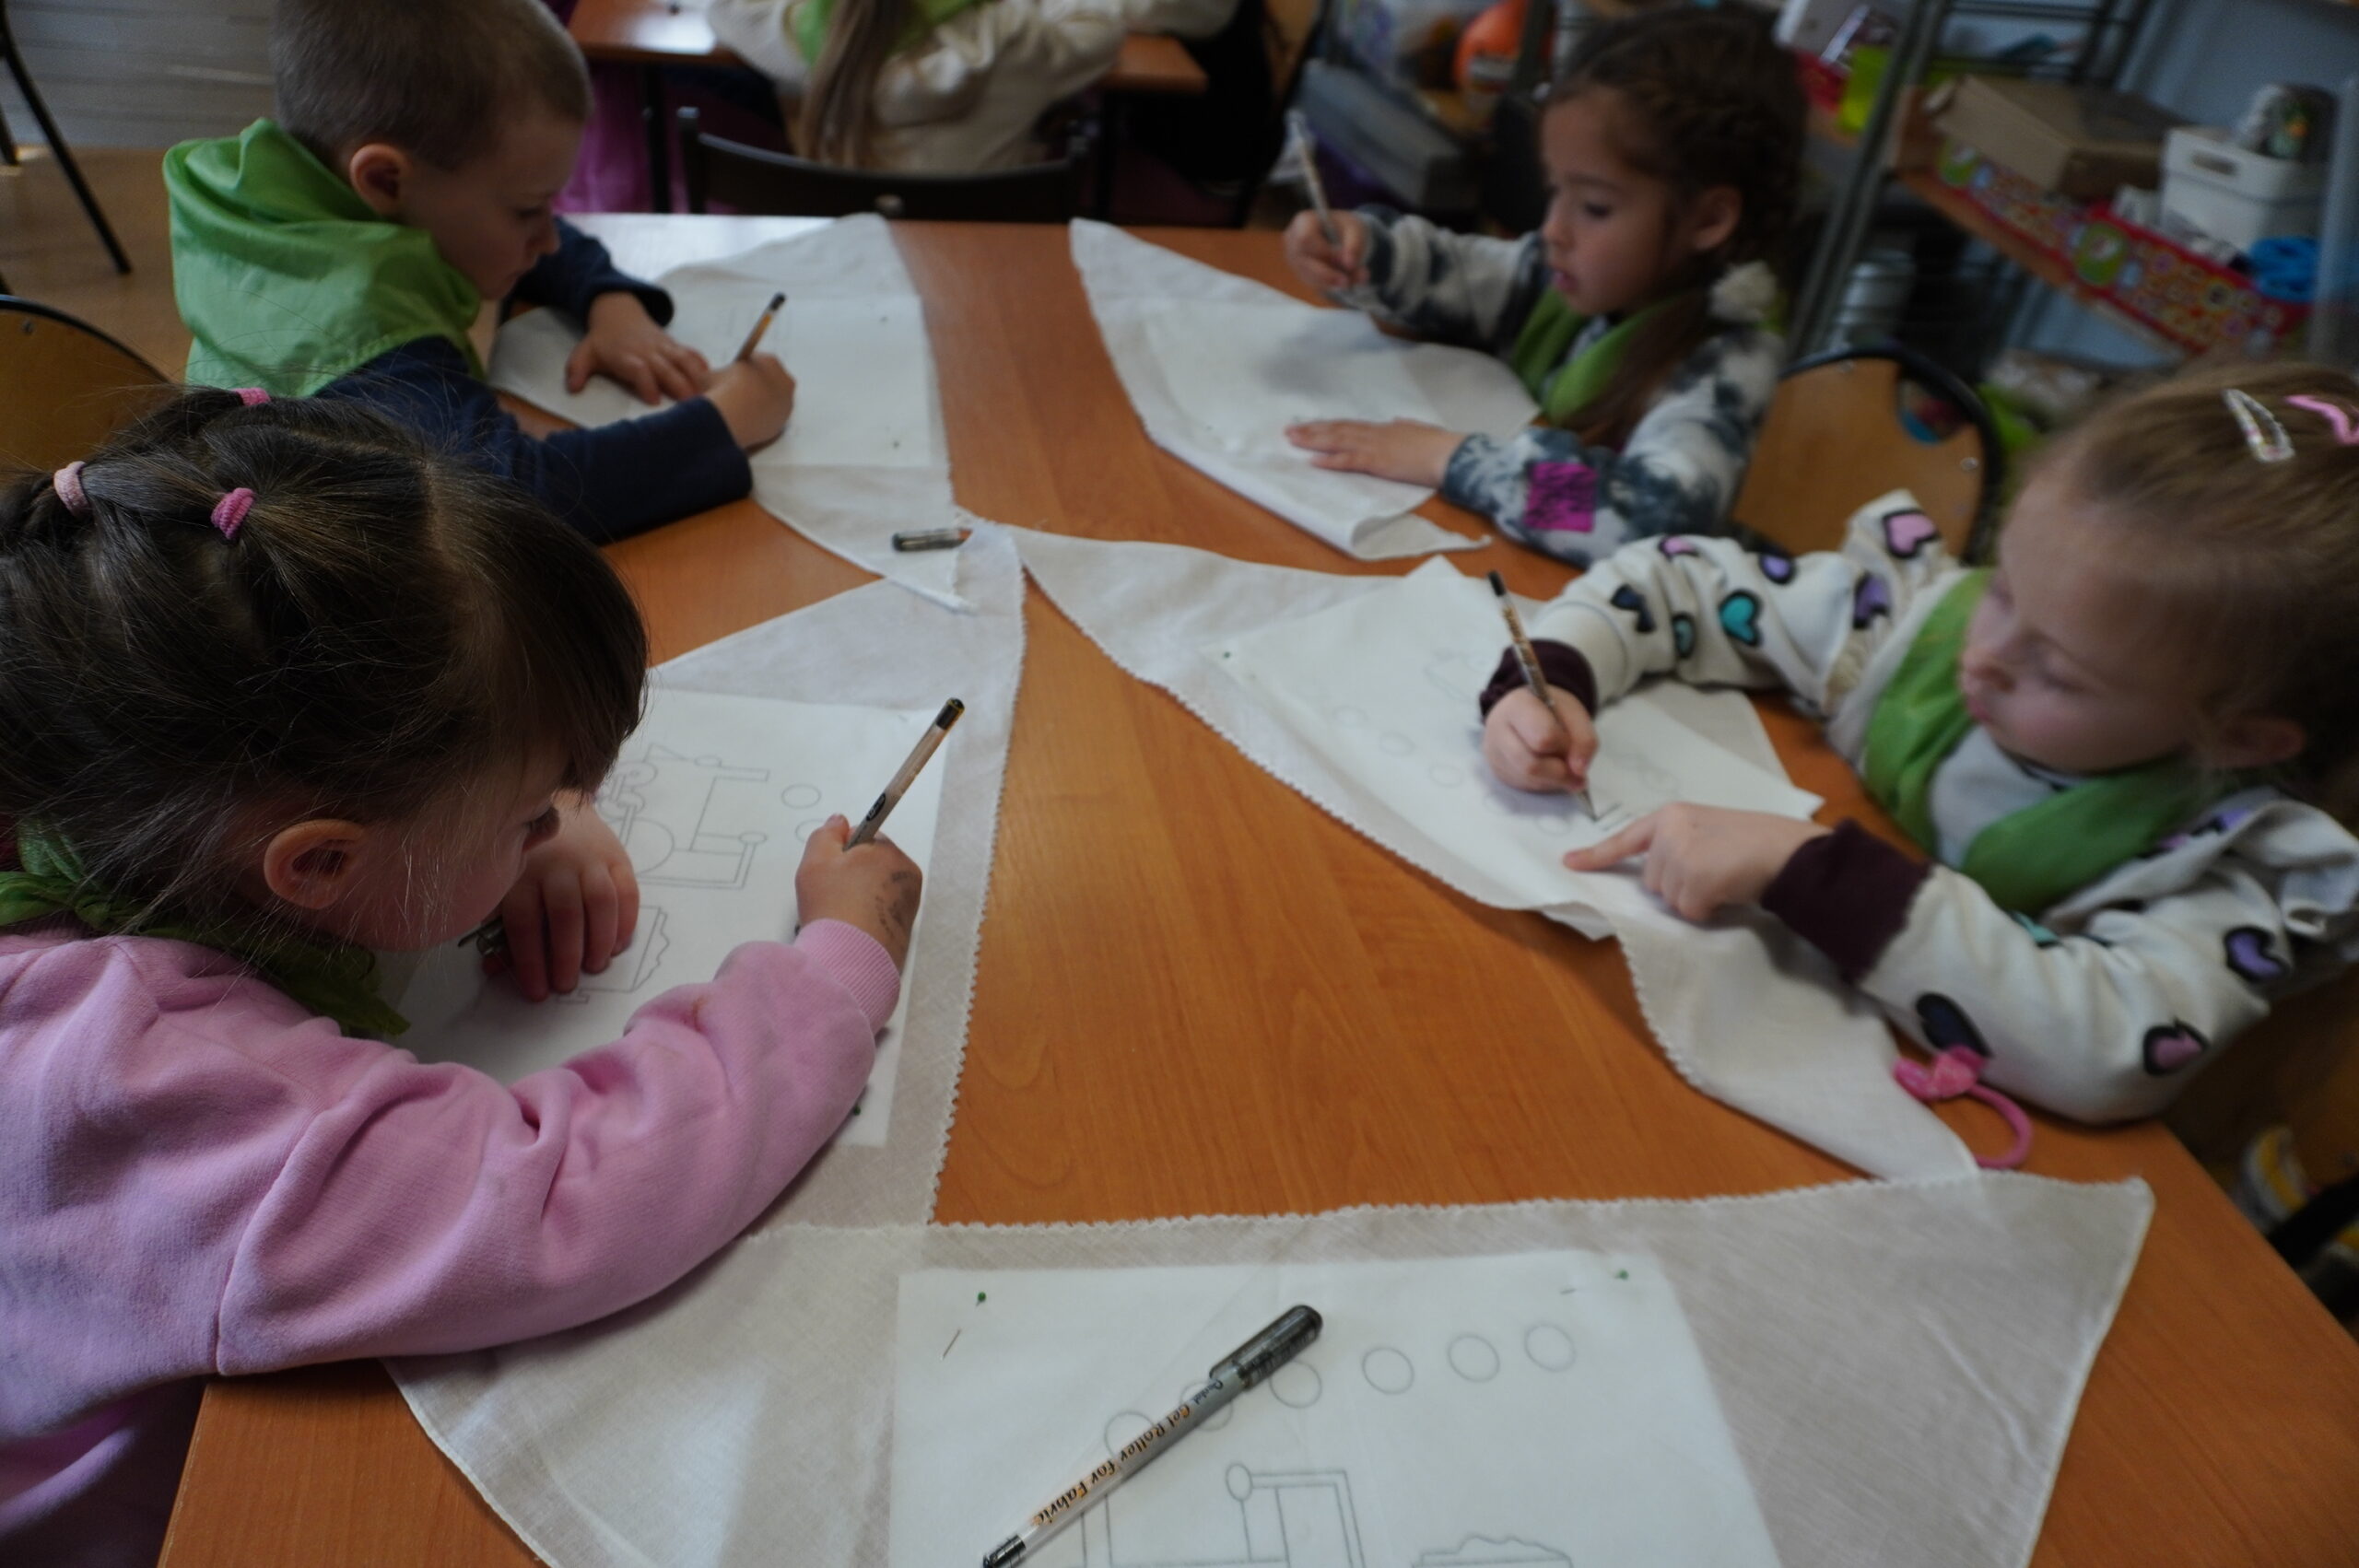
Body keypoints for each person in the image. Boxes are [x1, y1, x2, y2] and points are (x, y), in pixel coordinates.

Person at [0, 392, 921, 1567]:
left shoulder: (98, 777)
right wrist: (835, 966)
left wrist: (523, 821)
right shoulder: (144, 1078)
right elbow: (559, 1196)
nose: (556, 826)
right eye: (530, 813)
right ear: (317, 864)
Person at [1481, 362, 2359, 1125]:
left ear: (2240, 739)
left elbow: (2111, 1050)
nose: (1984, 656)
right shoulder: (1908, 622)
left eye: (2058, 673)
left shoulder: (2226, 868)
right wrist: (1553, 673)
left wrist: (1811, 873)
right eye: (2003, 589)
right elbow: (1677, 577)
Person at [164, 0, 797, 544]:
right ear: (385, 180)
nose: (548, 237)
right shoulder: (357, 341)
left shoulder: (284, 199)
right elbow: (516, 499)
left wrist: (611, 303)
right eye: (527, 210)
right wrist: (724, 423)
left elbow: (521, 231)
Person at [1280, 7, 1805, 563]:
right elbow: (1459, 274)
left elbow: (1646, 522)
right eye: (1556, 191)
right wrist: (1363, 252)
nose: (1554, 229)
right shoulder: (1582, 276)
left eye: (1595, 207)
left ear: (1708, 220)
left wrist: (1454, 460)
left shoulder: (1732, 366)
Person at [710, 0, 1124, 170]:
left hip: (845, 263)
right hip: (988, 263)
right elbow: (1102, 27)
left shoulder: (814, 37)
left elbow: (725, 8)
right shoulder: (1021, 40)